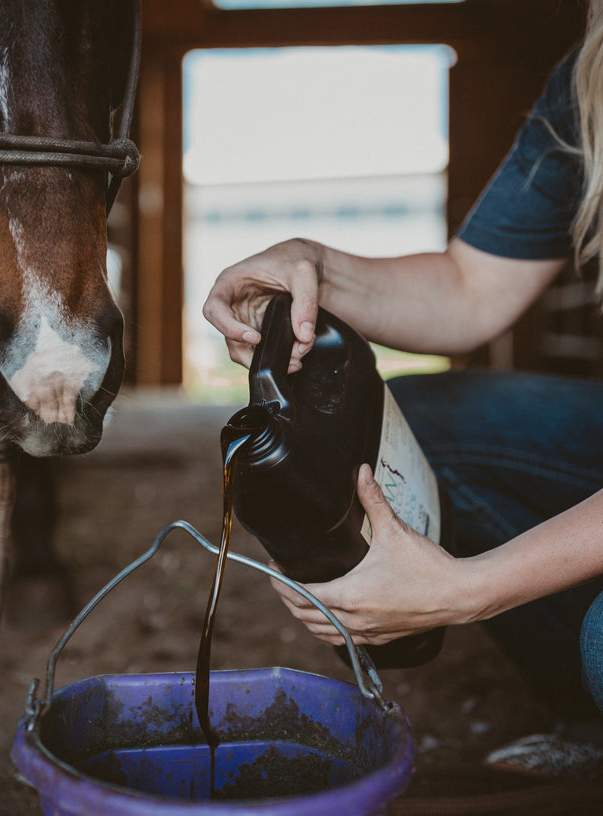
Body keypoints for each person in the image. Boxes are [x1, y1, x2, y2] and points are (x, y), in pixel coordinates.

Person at [202, 3, 603, 772]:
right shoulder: (587, 82)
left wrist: (471, 588)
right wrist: (313, 263)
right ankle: (588, 716)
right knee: (415, 426)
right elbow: (468, 288)